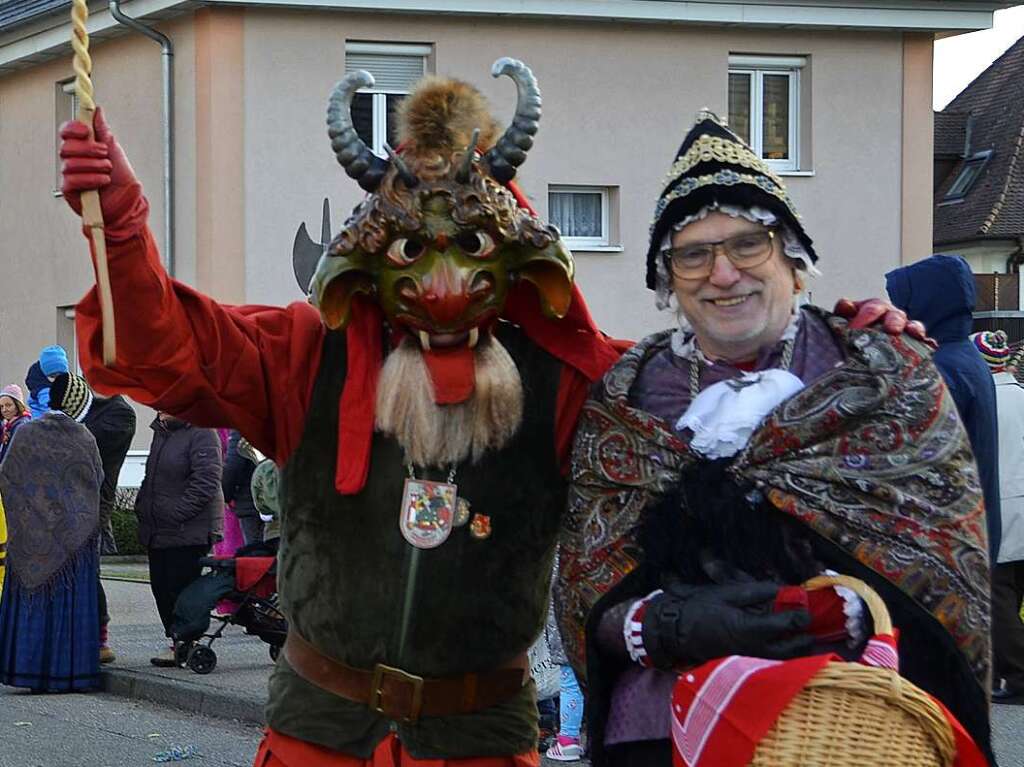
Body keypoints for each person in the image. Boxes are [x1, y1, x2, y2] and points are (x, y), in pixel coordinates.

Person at [59, 64, 917, 765]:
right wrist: (124, 226)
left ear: (517, 261)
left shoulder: (574, 377)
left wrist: (846, 356)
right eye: (410, 253)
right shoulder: (303, 351)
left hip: (480, 743)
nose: (438, 286)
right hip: (317, 736)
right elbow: (163, 347)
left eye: (468, 250)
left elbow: (725, 406)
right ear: (365, 261)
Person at [560, 112, 993, 765]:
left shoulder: (881, 373)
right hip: (656, 736)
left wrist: (842, 611)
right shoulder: (625, 395)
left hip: (843, 731)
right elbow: (585, 588)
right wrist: (660, 624)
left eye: (747, 244)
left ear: (794, 259)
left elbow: (947, 581)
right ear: (668, 277)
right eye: (694, 253)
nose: (723, 273)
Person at [886, 255, 1001, 563]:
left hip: (945, 543)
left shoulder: (941, 368)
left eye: (904, 303)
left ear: (928, 304)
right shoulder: (968, 358)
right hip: (971, 535)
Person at [0, 409, 103, 692]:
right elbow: (97, 479)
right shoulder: (84, 436)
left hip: (30, 535)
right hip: (73, 538)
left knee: (35, 607)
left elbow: (7, 475)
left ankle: (27, 670)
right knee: (66, 609)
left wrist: (25, 518)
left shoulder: (25, 434)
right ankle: (70, 674)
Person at [48, 370, 137, 664]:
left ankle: (100, 640)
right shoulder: (86, 408)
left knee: (87, 571)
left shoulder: (119, 414)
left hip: (94, 505)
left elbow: (83, 445)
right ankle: (70, 636)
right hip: (66, 503)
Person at [134, 413, 223, 666]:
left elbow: (206, 481)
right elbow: (152, 477)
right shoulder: (162, 432)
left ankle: (187, 641)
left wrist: (176, 513)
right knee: (161, 586)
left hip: (188, 529)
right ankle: (177, 640)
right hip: (158, 528)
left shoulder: (202, 431)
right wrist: (143, 505)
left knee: (181, 588)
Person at [972, 330, 1024, 704]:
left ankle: (1018, 676)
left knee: (1000, 593)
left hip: (1002, 507)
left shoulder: (984, 399)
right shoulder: (1021, 397)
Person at [223, 429, 263, 545]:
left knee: (257, 554)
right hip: (281, 500)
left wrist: (225, 495)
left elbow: (233, 466)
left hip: (251, 503)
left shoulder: (243, 426)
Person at [0, 384, 30, 464]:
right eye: (1, 407)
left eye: (8, 405)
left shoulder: (21, 426)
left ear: (17, 405)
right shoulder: (9, 425)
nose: (4, 410)